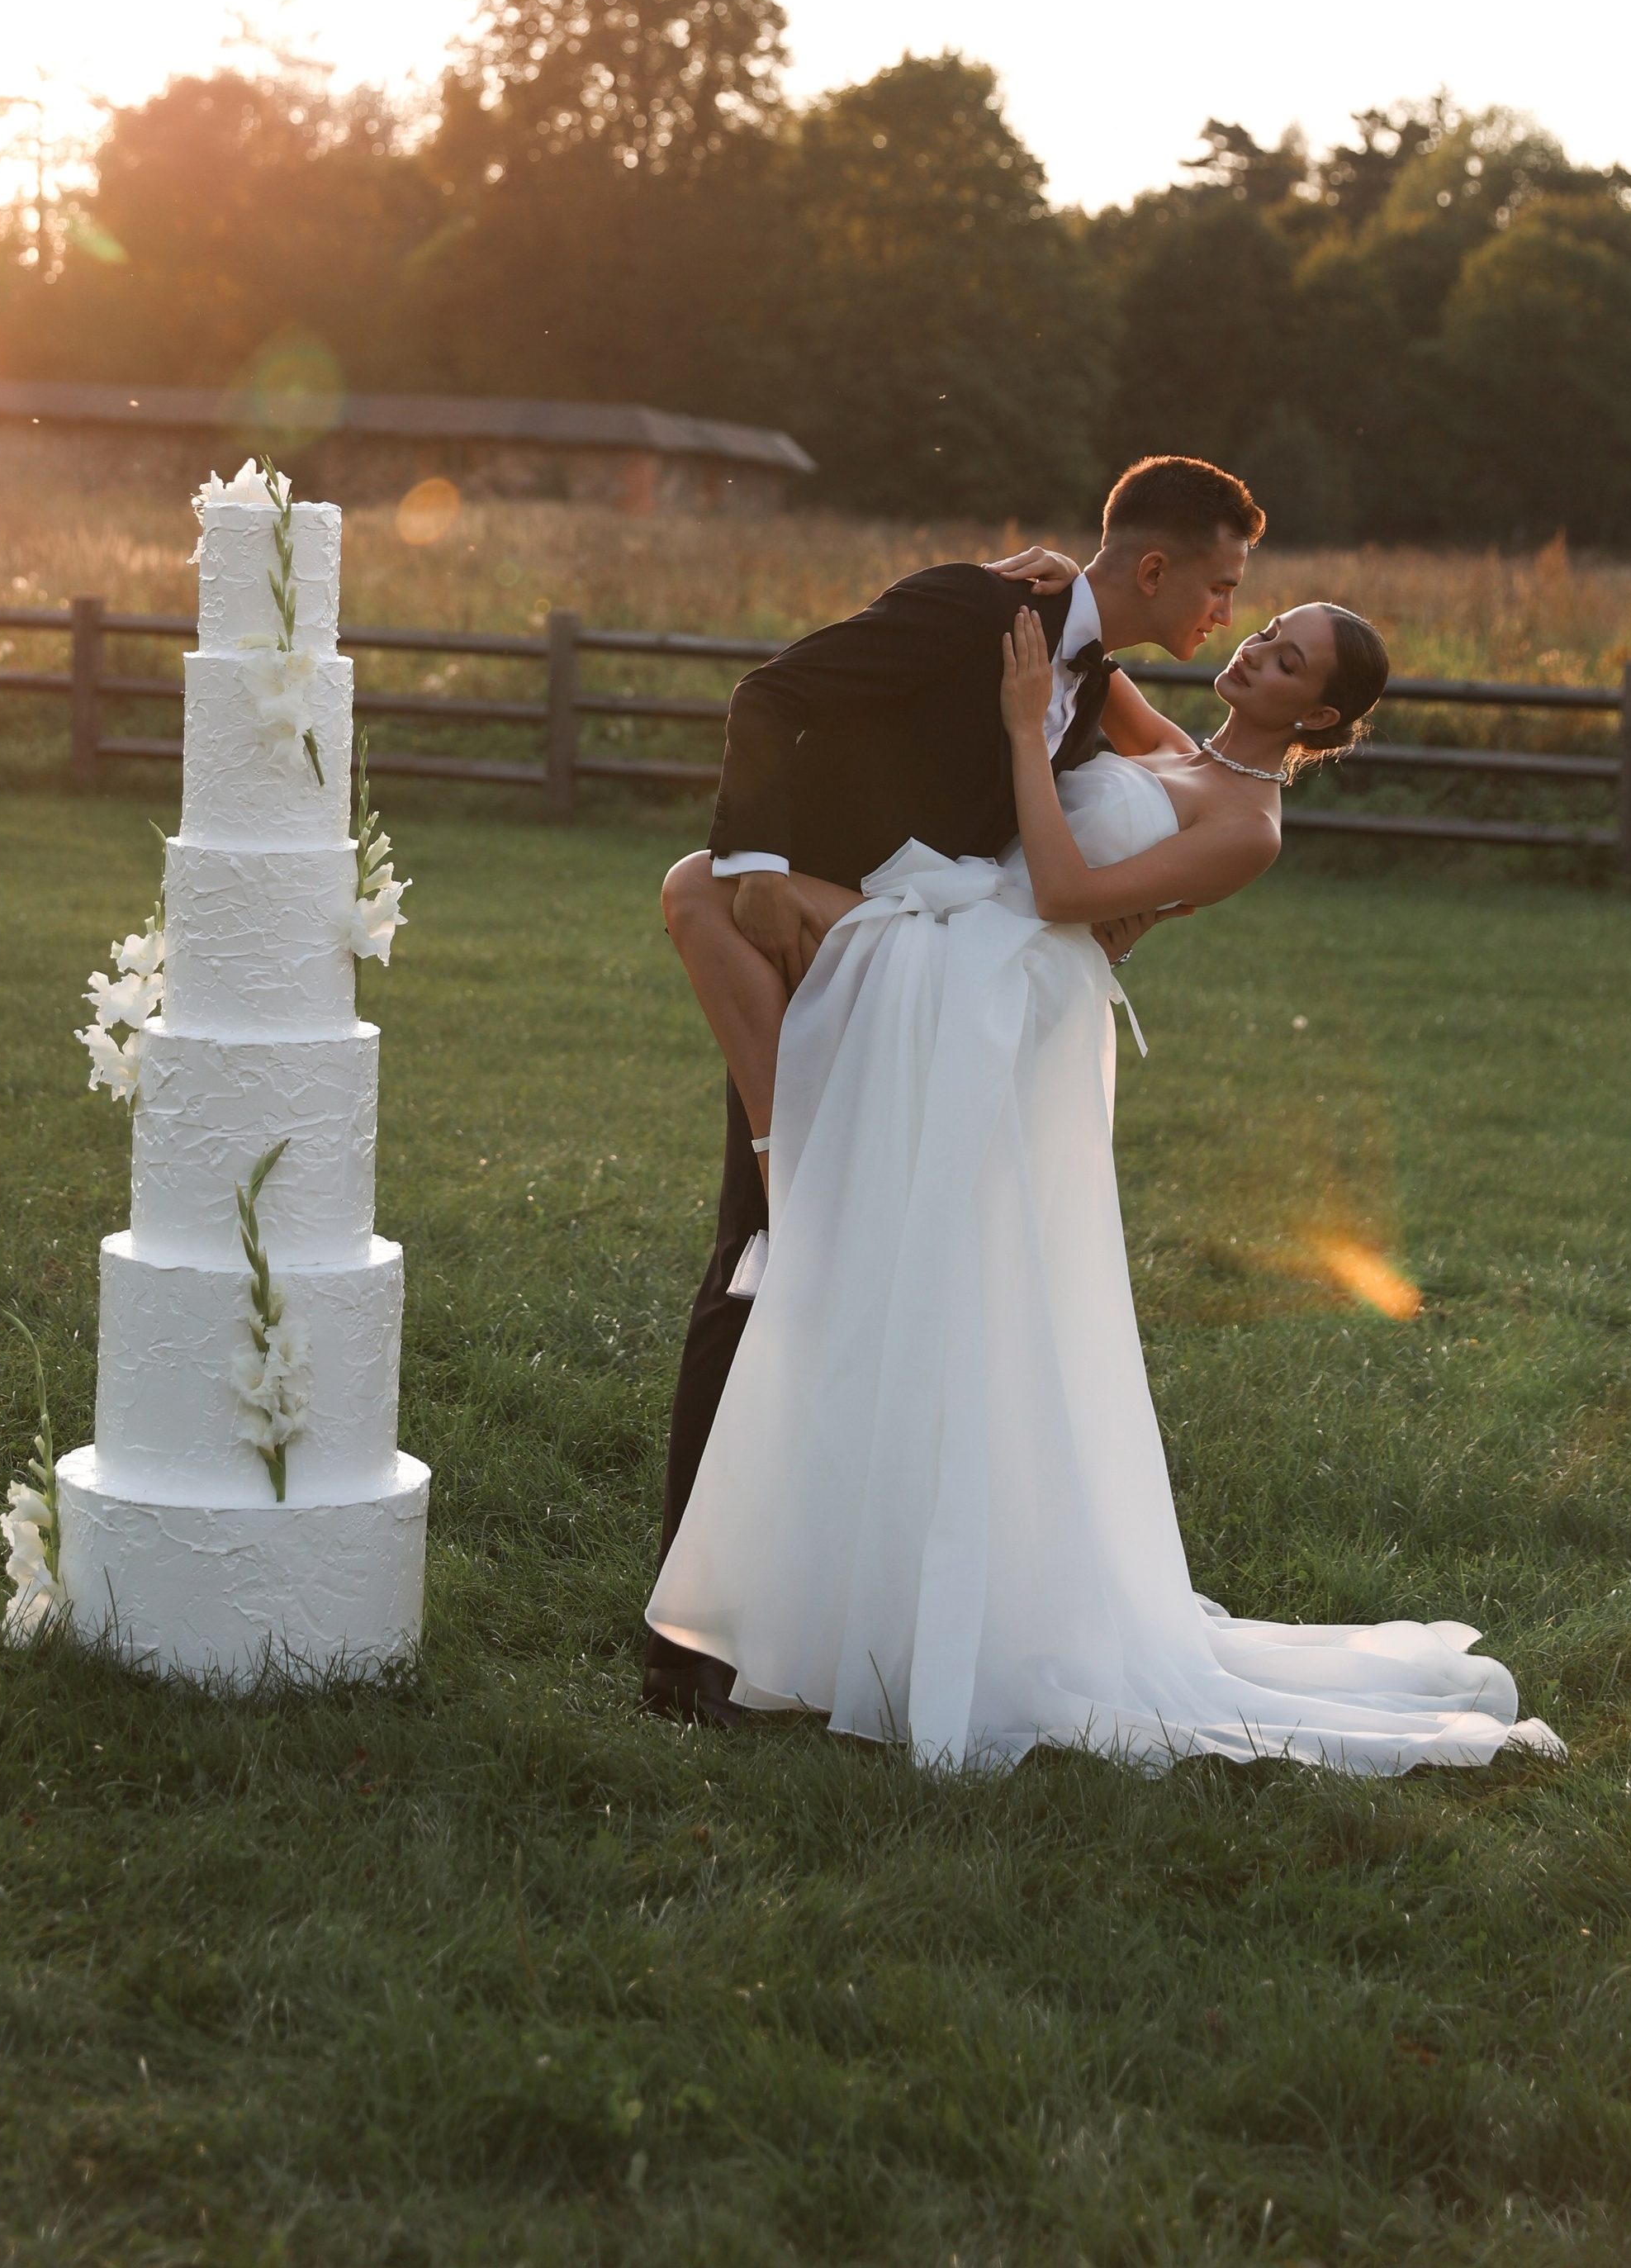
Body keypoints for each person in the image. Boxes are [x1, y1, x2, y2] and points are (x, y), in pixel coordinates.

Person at [647, 588, 1564, 1771]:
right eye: (1258, 630)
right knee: (702, 895)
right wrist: (1033, 578)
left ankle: (790, 1185)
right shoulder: (1171, 745)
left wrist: (1027, 734)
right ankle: (794, 1195)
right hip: (963, 937)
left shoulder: (1251, 827)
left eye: (1284, 660)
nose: (1251, 650)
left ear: (1319, 713)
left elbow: (1074, 894)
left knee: (694, 889)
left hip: (1006, 978)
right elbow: (1081, 644)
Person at [642, 453, 1266, 1724]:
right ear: (1155, 567)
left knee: (896, 1302)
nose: (1229, 611)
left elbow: (1152, 802)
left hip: (945, 1001)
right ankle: (689, 1649)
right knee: (762, 1263)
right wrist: (758, 858)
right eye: (1222, 583)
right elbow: (774, 692)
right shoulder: (983, 612)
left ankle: (832, 1611)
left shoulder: (1089, 686)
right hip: (810, 952)